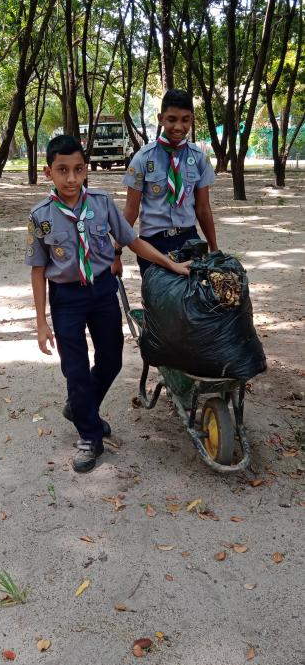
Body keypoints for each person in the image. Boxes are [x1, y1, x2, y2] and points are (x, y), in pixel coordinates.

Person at [25, 134, 192, 474]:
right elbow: (39, 270)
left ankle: (80, 407)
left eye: (78, 169)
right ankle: (89, 434)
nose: (71, 178)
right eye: (63, 170)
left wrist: (171, 264)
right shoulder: (40, 217)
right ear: (48, 173)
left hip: (102, 291)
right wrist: (41, 321)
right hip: (66, 298)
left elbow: (133, 241)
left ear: (86, 170)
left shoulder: (101, 203)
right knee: (74, 368)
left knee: (112, 360)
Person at [112, 89, 217, 276]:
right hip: (153, 245)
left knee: (194, 301)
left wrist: (215, 251)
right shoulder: (142, 159)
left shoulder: (200, 158)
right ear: (161, 119)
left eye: (185, 120)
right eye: (172, 119)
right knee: (158, 303)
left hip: (189, 241)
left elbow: (203, 209)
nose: (178, 127)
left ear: (192, 119)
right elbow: (130, 211)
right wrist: (116, 252)